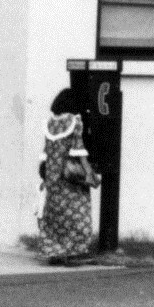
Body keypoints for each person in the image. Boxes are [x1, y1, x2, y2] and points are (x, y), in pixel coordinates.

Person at [37, 86, 98, 263]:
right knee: (77, 212)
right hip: (69, 175)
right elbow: (78, 150)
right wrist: (89, 173)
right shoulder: (75, 121)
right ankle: (74, 253)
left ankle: (55, 252)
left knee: (55, 214)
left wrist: (44, 173)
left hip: (52, 173)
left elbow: (46, 150)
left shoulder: (50, 122)